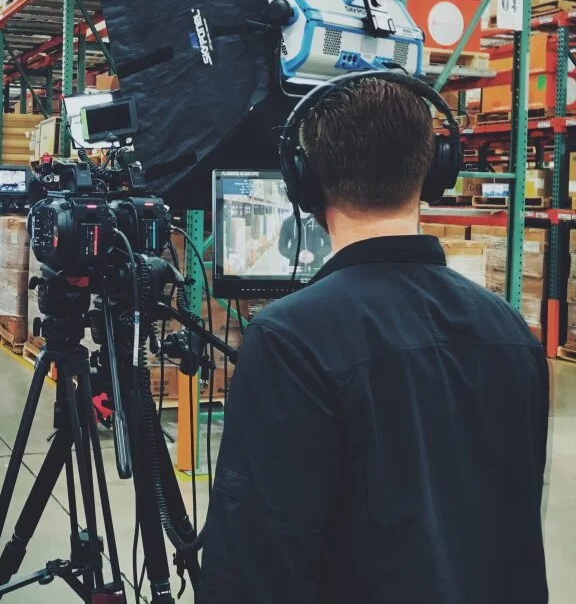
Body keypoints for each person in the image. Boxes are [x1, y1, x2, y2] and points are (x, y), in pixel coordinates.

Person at [200, 76, 549, 603]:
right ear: (434, 173)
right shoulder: (510, 332)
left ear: (305, 184)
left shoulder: (288, 340)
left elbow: (254, 565)